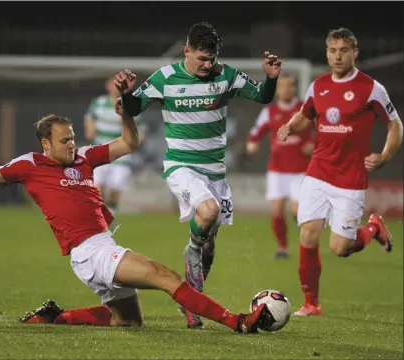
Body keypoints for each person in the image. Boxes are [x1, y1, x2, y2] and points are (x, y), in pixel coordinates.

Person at [0, 99, 269, 332]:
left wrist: (124, 114)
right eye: (64, 140)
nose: (71, 144)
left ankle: (56, 316)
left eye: (72, 138)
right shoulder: (29, 165)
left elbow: (130, 143)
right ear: (45, 144)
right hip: (90, 251)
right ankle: (236, 321)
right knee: (164, 275)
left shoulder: (86, 157)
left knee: (129, 323)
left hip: (99, 248)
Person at [115, 21, 282, 328]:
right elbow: (133, 108)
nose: (207, 65)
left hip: (215, 172)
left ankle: (192, 300)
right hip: (181, 166)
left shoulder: (226, 75)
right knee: (207, 213)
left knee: (209, 245)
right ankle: (190, 250)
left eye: (211, 59)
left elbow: (261, 96)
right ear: (186, 51)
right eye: (201, 58)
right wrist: (126, 95)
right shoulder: (165, 78)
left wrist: (270, 80)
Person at [277, 27, 403, 316]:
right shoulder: (318, 85)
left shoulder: (371, 88)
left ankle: (373, 228)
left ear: (354, 53)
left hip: (350, 179)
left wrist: (385, 155)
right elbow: (304, 116)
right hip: (318, 172)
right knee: (308, 233)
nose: (337, 56)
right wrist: (288, 127)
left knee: (339, 248)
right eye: (332, 50)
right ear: (327, 53)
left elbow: (395, 125)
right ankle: (311, 303)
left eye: (343, 50)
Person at [246, 74, 314, 259]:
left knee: (297, 211)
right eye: (283, 86)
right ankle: (283, 248)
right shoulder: (270, 111)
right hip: (277, 170)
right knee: (276, 212)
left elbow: (323, 130)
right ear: (277, 90)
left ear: (295, 88)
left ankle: (307, 244)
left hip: (300, 169)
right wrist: (252, 142)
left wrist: (314, 144)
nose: (287, 89)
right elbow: (256, 131)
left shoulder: (305, 109)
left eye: (291, 86)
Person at [84, 75, 145, 217]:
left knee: (114, 191)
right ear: (108, 86)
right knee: (97, 189)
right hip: (100, 151)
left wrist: (136, 140)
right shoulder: (98, 103)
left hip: (121, 155)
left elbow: (140, 129)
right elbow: (90, 121)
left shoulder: (130, 104)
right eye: (113, 83)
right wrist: (90, 130)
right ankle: (98, 221)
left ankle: (110, 216)